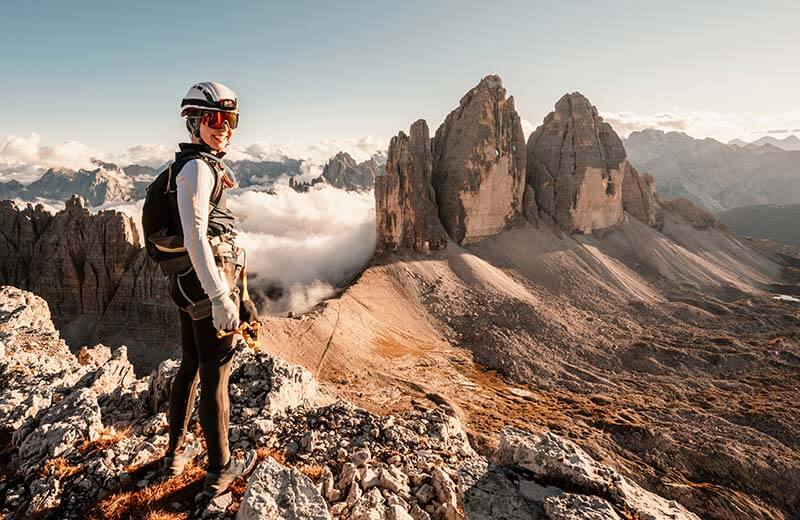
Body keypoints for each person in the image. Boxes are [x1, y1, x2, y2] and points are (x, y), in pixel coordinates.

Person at [157, 81, 257, 497]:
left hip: (193, 283)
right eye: (215, 119)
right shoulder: (197, 168)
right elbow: (198, 237)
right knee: (215, 375)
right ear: (195, 122)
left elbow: (225, 242)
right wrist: (220, 298)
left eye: (230, 120)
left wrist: (244, 295)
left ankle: (174, 453)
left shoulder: (200, 165)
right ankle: (221, 470)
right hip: (205, 287)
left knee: (191, 364)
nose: (224, 128)